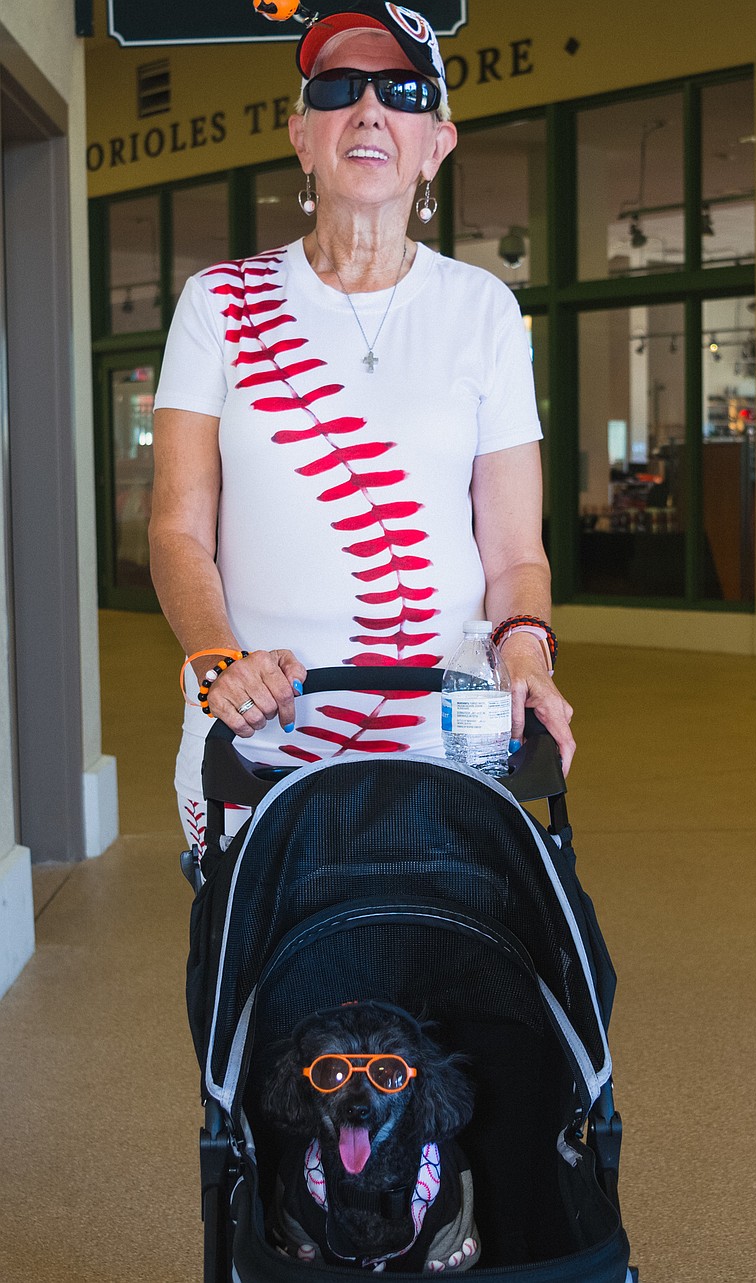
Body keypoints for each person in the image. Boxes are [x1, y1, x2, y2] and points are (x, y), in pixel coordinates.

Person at [150, 1, 575, 851]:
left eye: (406, 92)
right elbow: (176, 528)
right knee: (265, 977)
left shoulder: (483, 309)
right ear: (303, 137)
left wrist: (526, 652)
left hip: (438, 744)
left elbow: (516, 554)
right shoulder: (218, 304)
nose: (371, 108)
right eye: (340, 87)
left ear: (437, 146)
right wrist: (217, 659)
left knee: (442, 972)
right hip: (261, 743)